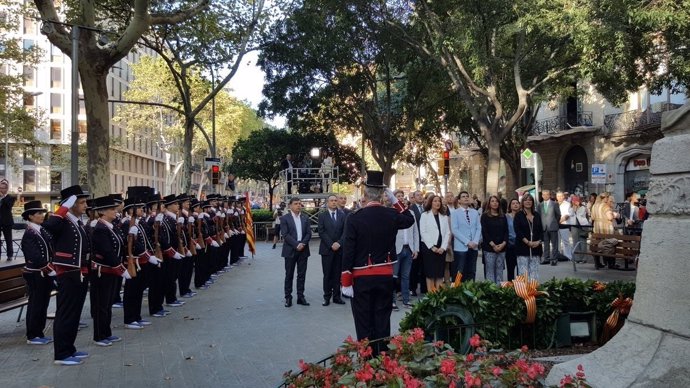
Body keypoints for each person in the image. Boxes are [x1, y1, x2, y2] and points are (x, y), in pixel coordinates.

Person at [341, 171, 414, 355]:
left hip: (361, 277)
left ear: (365, 195)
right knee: (382, 319)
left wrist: (346, 280)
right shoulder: (391, 214)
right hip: (385, 276)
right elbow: (409, 219)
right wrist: (395, 201)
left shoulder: (355, 217)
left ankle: (367, 361)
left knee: (363, 321)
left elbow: (348, 250)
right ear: (383, 195)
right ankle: (383, 358)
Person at [42, 185, 91, 365]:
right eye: (81, 202)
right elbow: (48, 226)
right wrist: (62, 208)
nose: (86, 205)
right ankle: (61, 354)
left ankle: (70, 349)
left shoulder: (76, 221)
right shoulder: (62, 220)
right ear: (70, 204)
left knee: (75, 313)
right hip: (67, 273)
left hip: (80, 272)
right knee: (66, 313)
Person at [89, 195, 130, 347]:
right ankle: (99, 336)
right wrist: (121, 269)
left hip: (111, 271)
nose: (116, 211)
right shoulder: (100, 229)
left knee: (107, 304)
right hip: (103, 272)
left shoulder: (111, 227)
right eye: (112, 209)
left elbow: (120, 247)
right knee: (101, 305)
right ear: (103, 212)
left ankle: (106, 333)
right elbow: (107, 251)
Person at [20, 200, 54, 345]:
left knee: (43, 303)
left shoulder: (40, 230)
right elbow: (34, 256)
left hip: (44, 273)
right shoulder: (29, 233)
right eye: (39, 213)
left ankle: (39, 333)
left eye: (42, 213)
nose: (42, 215)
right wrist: (48, 267)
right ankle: (33, 335)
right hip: (36, 274)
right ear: (31, 216)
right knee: (36, 304)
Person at [280, 197, 312, 307]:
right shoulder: (285, 219)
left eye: (299, 204)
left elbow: (309, 233)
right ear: (290, 206)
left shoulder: (305, 218)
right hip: (290, 250)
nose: (298, 205)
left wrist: (302, 243)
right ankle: (288, 297)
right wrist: (296, 244)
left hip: (303, 250)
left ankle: (300, 297)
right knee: (289, 275)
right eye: (296, 204)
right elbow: (285, 234)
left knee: (301, 275)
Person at [317, 195, 346, 306]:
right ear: (327, 202)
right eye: (332, 201)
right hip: (327, 250)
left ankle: (337, 297)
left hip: (339, 249)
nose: (334, 202)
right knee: (327, 274)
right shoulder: (322, 216)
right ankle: (327, 297)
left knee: (337, 274)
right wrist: (331, 244)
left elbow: (345, 231)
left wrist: (339, 243)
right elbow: (321, 231)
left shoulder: (342, 215)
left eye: (335, 200)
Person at [419, 195, 451, 291]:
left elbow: (447, 233)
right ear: (430, 203)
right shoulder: (425, 215)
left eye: (439, 201)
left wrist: (443, 247)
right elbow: (423, 232)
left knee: (439, 274)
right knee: (430, 274)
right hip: (429, 248)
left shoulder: (444, 217)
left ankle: (439, 297)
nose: (437, 203)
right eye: (435, 201)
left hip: (441, 249)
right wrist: (432, 247)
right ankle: (431, 297)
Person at [393, 190, 418, 309]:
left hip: (409, 248)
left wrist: (416, 248)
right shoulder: (392, 212)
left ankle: (406, 300)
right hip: (396, 249)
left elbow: (415, 232)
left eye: (402, 196)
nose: (401, 198)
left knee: (406, 276)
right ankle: (392, 301)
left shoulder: (410, 213)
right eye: (398, 196)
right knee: (394, 275)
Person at [450, 191, 482, 281]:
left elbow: (478, 228)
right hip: (461, 247)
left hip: (473, 247)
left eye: (467, 196)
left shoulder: (475, 212)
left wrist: (475, 241)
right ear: (459, 200)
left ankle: (471, 292)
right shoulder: (455, 213)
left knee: (471, 271)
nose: (466, 198)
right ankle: (459, 292)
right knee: (460, 271)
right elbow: (455, 230)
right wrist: (467, 242)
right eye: (463, 196)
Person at [514, 194, 544, 280]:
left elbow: (541, 231)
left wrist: (538, 242)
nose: (528, 202)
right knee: (523, 274)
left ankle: (533, 292)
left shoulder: (537, 215)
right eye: (526, 200)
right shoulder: (518, 215)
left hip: (536, 248)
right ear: (522, 202)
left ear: (533, 202)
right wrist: (528, 242)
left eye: (530, 200)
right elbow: (518, 231)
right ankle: (524, 293)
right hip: (522, 248)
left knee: (534, 274)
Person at [480, 195, 509, 284]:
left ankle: (499, 291)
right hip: (489, 248)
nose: (495, 203)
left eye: (496, 201)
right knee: (490, 271)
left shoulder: (503, 216)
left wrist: (503, 244)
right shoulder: (484, 216)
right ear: (489, 203)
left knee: (499, 271)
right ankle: (491, 292)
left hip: (502, 247)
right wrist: (493, 245)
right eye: (492, 201)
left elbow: (506, 231)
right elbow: (484, 232)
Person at [409, 190, 426, 296]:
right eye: (418, 195)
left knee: (424, 266)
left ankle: (424, 288)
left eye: (421, 195)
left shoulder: (427, 209)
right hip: (416, 242)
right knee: (414, 267)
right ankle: (413, 287)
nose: (420, 197)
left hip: (426, 242)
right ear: (414, 198)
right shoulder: (411, 209)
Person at [540, 189, 561, 266]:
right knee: (545, 244)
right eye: (544, 194)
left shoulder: (554, 204)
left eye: (547, 194)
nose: (545, 196)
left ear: (549, 195)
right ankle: (546, 259)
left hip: (553, 226)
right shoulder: (540, 205)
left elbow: (558, 215)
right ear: (542, 196)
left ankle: (554, 259)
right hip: (544, 227)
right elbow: (539, 216)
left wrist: (555, 222)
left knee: (554, 244)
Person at [0, 180, 17, 261]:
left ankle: (10, 255)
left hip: (7, 221)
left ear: (6, 189)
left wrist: (3, 197)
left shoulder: (10, 197)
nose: (1, 190)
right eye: (0, 188)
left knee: (8, 239)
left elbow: (9, 206)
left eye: (3, 188)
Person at [570, 195, 589, 263]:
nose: (575, 202)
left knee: (582, 242)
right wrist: (574, 209)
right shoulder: (570, 208)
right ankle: (577, 258)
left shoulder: (583, 208)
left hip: (583, 226)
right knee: (575, 242)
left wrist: (576, 209)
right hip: (574, 226)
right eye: (574, 201)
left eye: (577, 201)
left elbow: (580, 214)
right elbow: (571, 214)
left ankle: (584, 258)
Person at [505, 198, 521, 281]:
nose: (515, 205)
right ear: (510, 206)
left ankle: (520, 288)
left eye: (517, 203)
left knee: (521, 269)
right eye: (513, 203)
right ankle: (510, 288)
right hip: (510, 246)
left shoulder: (522, 216)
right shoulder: (506, 217)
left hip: (521, 245)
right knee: (510, 269)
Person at [556, 191, 574, 261]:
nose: (560, 197)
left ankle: (568, 256)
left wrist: (559, 221)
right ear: (556, 197)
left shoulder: (567, 204)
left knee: (566, 241)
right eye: (558, 196)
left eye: (561, 196)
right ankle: (558, 255)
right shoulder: (555, 204)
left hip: (564, 225)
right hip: (556, 226)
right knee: (557, 241)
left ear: (563, 197)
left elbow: (567, 215)